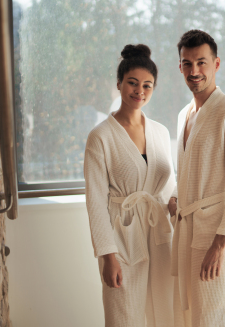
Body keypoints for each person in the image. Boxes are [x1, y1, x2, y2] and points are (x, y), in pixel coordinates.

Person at [84, 44, 178, 327]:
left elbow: (168, 185)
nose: (140, 91)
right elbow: (96, 202)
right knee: (123, 315)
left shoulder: (160, 132)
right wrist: (107, 255)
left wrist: (175, 202)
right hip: (122, 237)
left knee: (164, 311)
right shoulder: (100, 137)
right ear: (119, 84)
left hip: (160, 233)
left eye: (147, 85)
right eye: (133, 83)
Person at [169, 30, 225, 327]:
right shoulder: (184, 115)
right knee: (194, 318)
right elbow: (190, 171)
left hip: (216, 239)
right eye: (187, 64)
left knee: (217, 319)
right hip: (189, 233)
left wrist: (219, 246)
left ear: (216, 64)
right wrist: (177, 199)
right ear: (179, 67)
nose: (195, 72)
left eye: (202, 63)